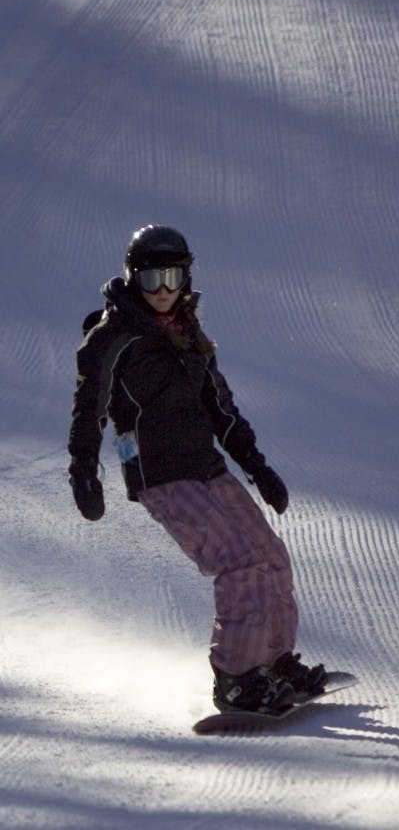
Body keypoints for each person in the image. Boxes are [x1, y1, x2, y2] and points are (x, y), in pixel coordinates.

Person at [67, 224, 326, 713]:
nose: (163, 290)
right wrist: (83, 470)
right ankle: (236, 677)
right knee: (239, 563)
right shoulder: (112, 337)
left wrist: (256, 465)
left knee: (270, 556)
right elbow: (89, 408)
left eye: (173, 277)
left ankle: (270, 661)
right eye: (151, 279)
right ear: (133, 278)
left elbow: (221, 407)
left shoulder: (188, 332)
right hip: (162, 475)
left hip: (205, 465)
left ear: (186, 278)